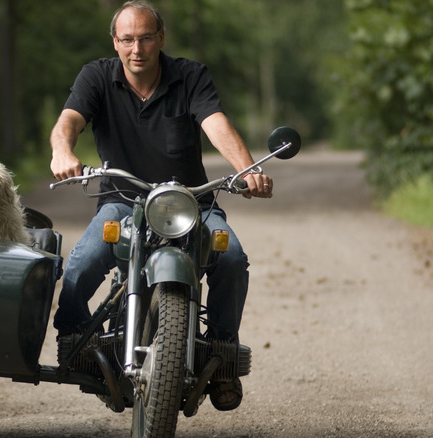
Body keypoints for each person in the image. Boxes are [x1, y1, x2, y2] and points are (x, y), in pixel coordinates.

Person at [49, 0, 273, 411]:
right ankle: (75, 341)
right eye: (128, 39)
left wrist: (245, 170)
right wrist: (62, 151)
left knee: (232, 258)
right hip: (123, 202)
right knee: (82, 261)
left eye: (146, 37)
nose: (138, 48)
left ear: (160, 39)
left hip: (191, 203)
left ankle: (222, 356)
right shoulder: (96, 76)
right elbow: (69, 121)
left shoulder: (189, 75)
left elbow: (215, 122)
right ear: (115, 42)